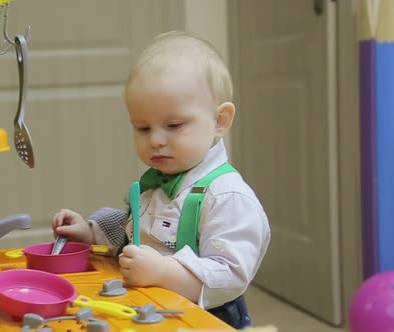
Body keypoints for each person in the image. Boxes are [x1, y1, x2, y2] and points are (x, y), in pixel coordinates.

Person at [51, 31, 271, 329]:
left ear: (219, 121)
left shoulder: (226, 197)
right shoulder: (154, 184)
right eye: (142, 128)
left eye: (174, 125)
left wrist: (164, 272)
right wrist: (89, 233)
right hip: (150, 312)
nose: (156, 140)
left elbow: (229, 275)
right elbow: (136, 232)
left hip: (203, 320)